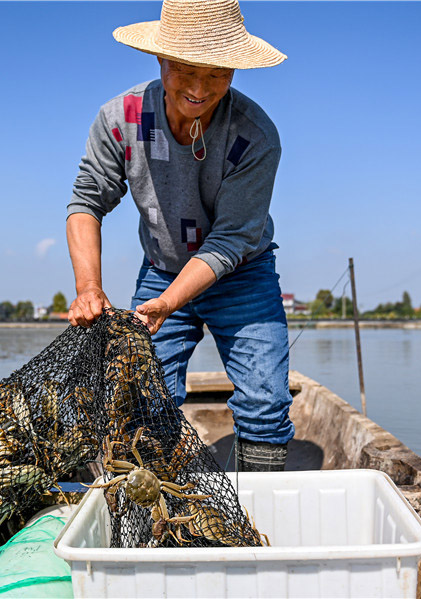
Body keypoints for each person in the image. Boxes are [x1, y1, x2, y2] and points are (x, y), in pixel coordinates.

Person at [66, 0, 292, 471]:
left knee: (265, 406)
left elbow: (230, 241)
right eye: (185, 70)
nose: (198, 88)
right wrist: (89, 288)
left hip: (242, 274)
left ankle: (255, 525)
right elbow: (87, 202)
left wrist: (172, 303)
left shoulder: (255, 136)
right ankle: (159, 524)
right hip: (162, 271)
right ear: (160, 60)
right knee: (144, 400)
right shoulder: (120, 119)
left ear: (233, 68)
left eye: (215, 74)